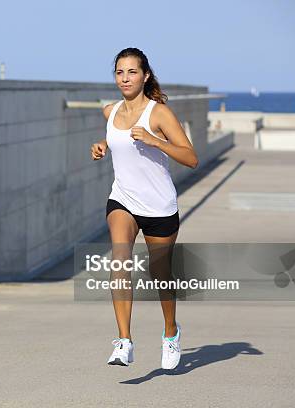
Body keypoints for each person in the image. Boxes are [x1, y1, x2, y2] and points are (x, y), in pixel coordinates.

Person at [90, 47, 198, 370]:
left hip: (159, 206)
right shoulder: (110, 112)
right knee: (119, 257)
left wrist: (156, 142)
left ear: (145, 75)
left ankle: (171, 331)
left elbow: (191, 158)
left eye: (132, 72)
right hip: (122, 199)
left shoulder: (159, 113)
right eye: (120, 72)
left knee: (160, 274)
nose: (125, 78)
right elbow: (117, 137)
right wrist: (103, 145)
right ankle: (124, 341)